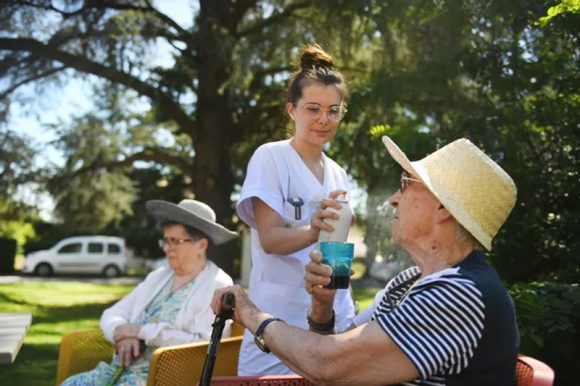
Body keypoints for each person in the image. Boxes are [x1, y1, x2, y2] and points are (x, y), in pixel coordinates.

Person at [213, 136, 520, 386]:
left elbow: (327, 365)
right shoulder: (408, 282)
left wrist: (250, 313)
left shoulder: (459, 293)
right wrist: (323, 308)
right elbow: (337, 355)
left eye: (405, 183)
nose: (393, 199)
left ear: (443, 210)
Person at [235, 44, 357, 376]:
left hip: (332, 323)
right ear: (292, 109)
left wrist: (340, 267)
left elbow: (332, 254)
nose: (324, 119)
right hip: (276, 324)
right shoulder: (271, 158)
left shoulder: (338, 173)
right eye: (313, 108)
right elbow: (270, 240)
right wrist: (315, 229)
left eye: (334, 110)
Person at [62, 199, 237, 386]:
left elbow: (205, 345)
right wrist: (121, 333)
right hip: (119, 369)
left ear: (201, 245)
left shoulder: (217, 284)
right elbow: (112, 314)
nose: (166, 248)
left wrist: (143, 331)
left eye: (175, 241)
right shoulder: (159, 277)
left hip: (165, 379)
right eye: (165, 240)